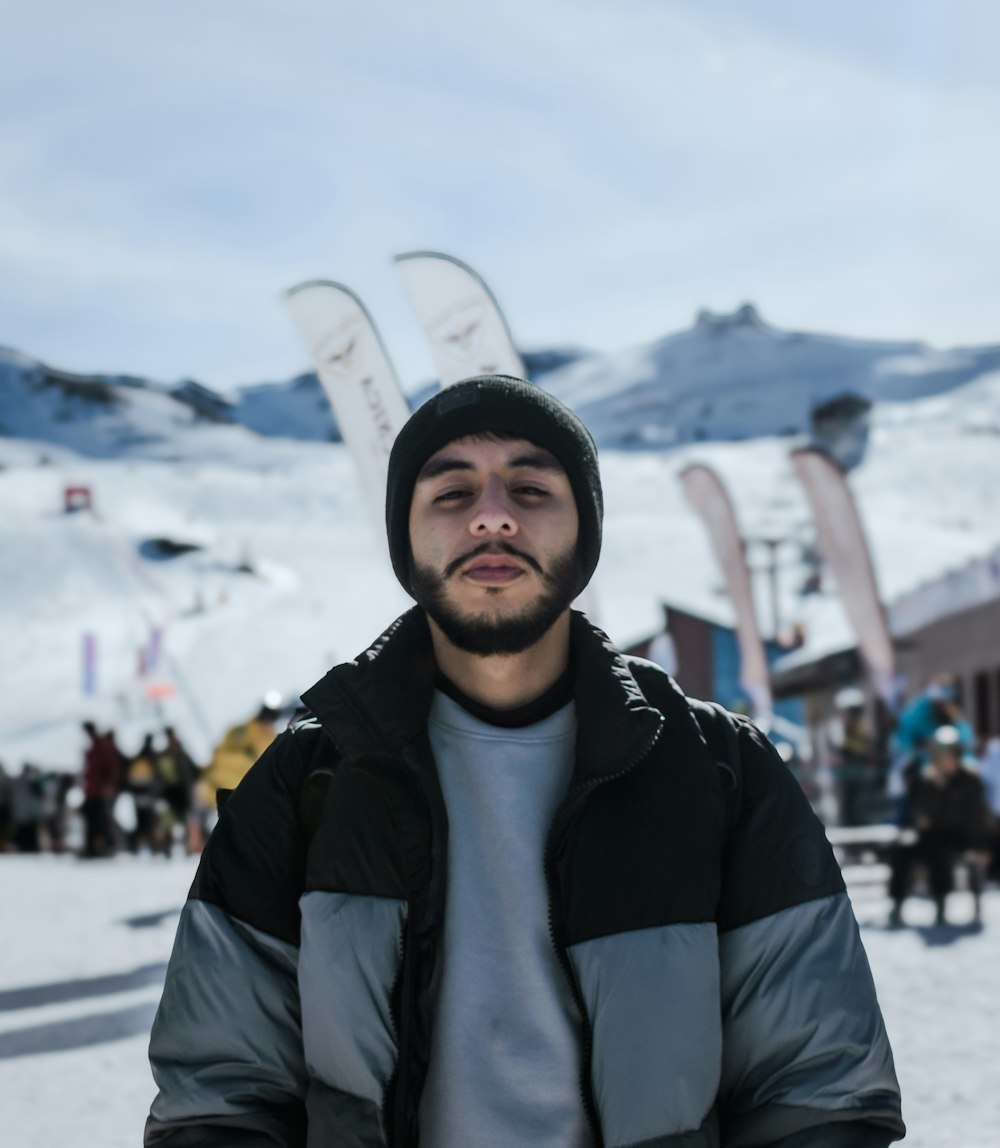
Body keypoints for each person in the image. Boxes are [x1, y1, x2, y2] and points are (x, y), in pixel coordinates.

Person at [147, 376, 904, 1147]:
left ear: (585, 534)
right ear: (405, 540)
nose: (493, 514)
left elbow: (816, 1090)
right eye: (451, 493)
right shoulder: (309, 776)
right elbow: (222, 1090)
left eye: (533, 487)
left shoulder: (717, 769)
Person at [888, 725, 993, 927]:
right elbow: (921, 814)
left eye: (948, 755)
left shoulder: (970, 780)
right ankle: (897, 903)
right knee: (901, 851)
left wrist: (979, 847)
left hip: (962, 837)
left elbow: (976, 817)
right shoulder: (928, 780)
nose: (944, 760)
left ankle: (941, 901)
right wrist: (935, 787)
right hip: (932, 836)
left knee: (940, 850)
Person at [80, 722, 121, 858]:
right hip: (91, 792)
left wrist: (107, 785)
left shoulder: (102, 748)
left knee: (104, 822)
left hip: (102, 792)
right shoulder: (92, 749)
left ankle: (109, 846)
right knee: (91, 822)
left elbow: (111, 769)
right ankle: (92, 848)